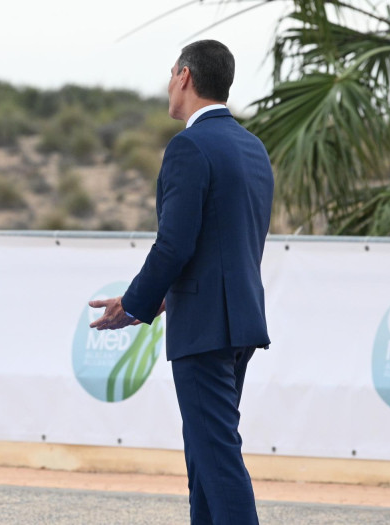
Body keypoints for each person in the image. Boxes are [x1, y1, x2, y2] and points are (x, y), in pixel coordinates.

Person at [88, 40, 273, 525]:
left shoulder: (189, 146)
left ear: (185, 76)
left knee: (216, 459)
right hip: (239, 324)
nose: (169, 84)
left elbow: (175, 244)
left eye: (171, 74)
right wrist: (167, 298)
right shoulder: (253, 148)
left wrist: (134, 303)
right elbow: (231, 243)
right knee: (205, 458)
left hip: (205, 329)